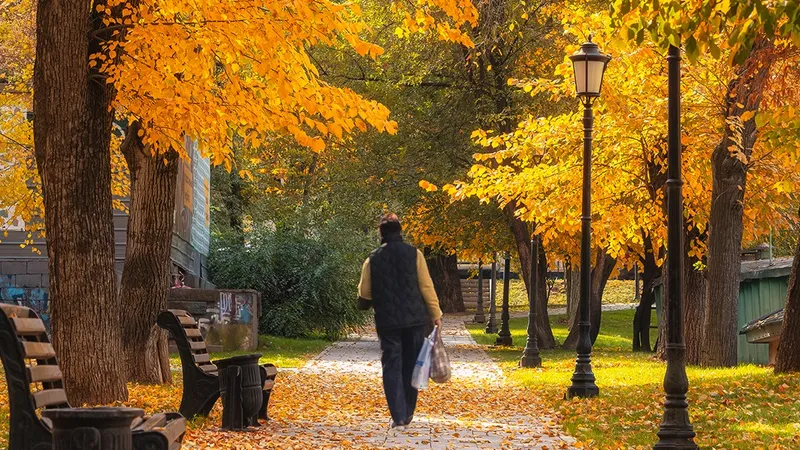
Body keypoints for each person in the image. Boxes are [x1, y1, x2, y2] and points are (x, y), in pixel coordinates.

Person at [357, 213, 442, 430]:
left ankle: (398, 415)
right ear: (400, 231)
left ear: (380, 233)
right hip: (414, 320)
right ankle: (409, 411)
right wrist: (436, 313)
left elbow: (364, 292)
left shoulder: (372, 259)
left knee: (392, 365)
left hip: (387, 322)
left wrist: (365, 302)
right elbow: (426, 286)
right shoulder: (415, 254)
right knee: (412, 364)